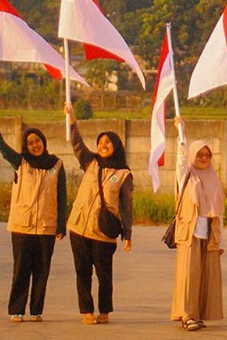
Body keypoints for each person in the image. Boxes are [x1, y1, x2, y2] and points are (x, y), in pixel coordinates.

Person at [0, 111, 66, 323]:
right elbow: (4, 150)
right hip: (22, 226)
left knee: (42, 271)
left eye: (37, 141)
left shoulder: (57, 165)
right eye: (30, 143)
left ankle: (36, 310)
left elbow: (62, 196)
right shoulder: (21, 163)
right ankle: (16, 310)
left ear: (43, 142)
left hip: (46, 227)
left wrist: (60, 225)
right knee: (21, 269)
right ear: (25, 146)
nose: (35, 145)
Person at [64, 102, 133, 325]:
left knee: (104, 275)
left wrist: (128, 233)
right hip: (78, 227)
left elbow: (126, 205)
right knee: (82, 272)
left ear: (116, 146)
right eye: (101, 142)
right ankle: (86, 311)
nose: (103, 145)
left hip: (103, 230)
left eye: (108, 142)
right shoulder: (90, 162)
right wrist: (72, 120)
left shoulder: (123, 173)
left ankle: (104, 311)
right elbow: (77, 145)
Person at [170, 117, 225, 332]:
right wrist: (181, 133)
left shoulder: (213, 177)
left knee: (205, 276)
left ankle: (199, 313)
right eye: (200, 155)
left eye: (207, 155)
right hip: (190, 232)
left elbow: (218, 212)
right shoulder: (187, 175)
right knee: (188, 276)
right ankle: (186, 314)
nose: (203, 158)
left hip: (209, 234)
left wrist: (219, 240)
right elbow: (181, 162)